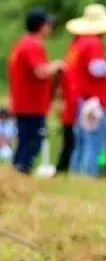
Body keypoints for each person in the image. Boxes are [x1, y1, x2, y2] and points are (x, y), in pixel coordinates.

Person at [66, 4, 106, 177]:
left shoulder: (76, 44)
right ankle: (89, 176)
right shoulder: (93, 43)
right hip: (94, 101)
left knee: (81, 142)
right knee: (95, 142)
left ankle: (75, 175)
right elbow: (96, 68)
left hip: (80, 99)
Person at [8, 9, 66, 174]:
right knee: (32, 142)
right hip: (31, 104)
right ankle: (21, 172)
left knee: (26, 140)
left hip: (24, 102)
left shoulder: (22, 44)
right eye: (48, 24)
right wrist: (56, 66)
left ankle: (17, 172)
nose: (50, 28)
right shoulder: (32, 45)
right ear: (41, 26)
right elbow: (40, 71)